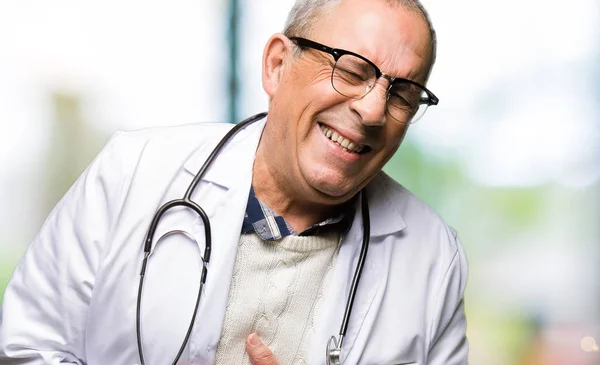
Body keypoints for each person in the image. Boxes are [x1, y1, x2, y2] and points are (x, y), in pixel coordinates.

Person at [0, 0, 468, 364]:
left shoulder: (432, 257)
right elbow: (25, 348)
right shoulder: (132, 171)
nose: (372, 111)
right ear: (277, 65)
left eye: (403, 93)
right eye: (350, 70)